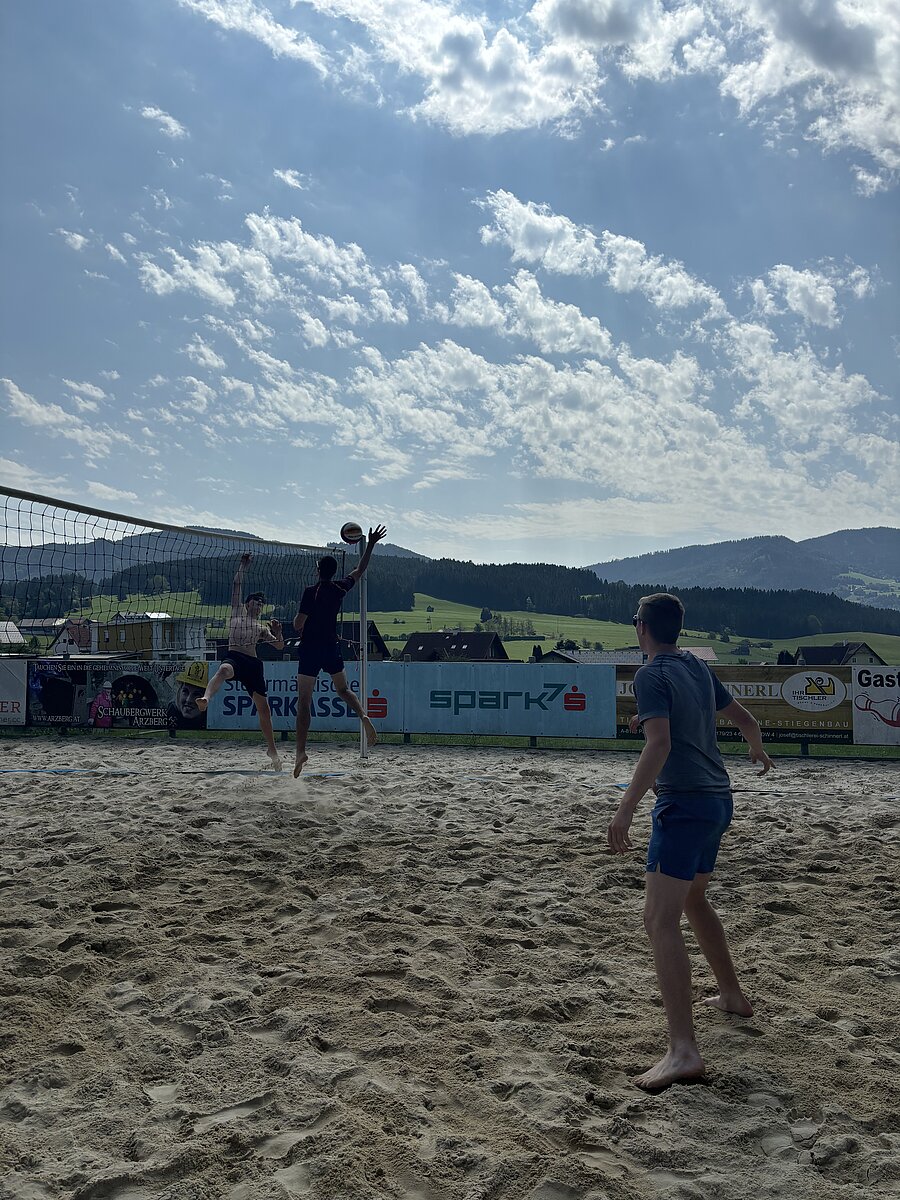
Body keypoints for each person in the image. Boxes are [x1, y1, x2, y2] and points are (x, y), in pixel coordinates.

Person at [607, 592, 775, 1091]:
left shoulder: (650, 673)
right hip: (718, 800)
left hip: (683, 806)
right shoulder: (696, 667)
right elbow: (746, 720)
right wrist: (757, 751)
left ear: (641, 627)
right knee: (695, 900)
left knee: (658, 920)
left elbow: (659, 744)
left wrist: (625, 808)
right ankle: (732, 997)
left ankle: (683, 1050)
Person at [292, 525, 387, 777]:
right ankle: (363, 716)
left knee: (304, 702)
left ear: (317, 570)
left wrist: (297, 622)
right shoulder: (339, 588)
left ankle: (300, 752)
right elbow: (359, 570)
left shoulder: (311, 592)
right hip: (331, 647)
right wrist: (371, 544)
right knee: (343, 689)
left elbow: (299, 624)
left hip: (310, 649)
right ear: (334, 572)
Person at [196, 554, 285, 769]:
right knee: (223, 670)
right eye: (256, 602)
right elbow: (236, 584)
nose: (259, 605)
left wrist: (278, 632)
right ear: (247, 604)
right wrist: (243, 565)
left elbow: (279, 646)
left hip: (253, 664)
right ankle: (206, 698)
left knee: (264, 709)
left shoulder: (261, 628)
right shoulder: (237, 612)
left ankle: (272, 749)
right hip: (235, 657)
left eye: (261, 604)